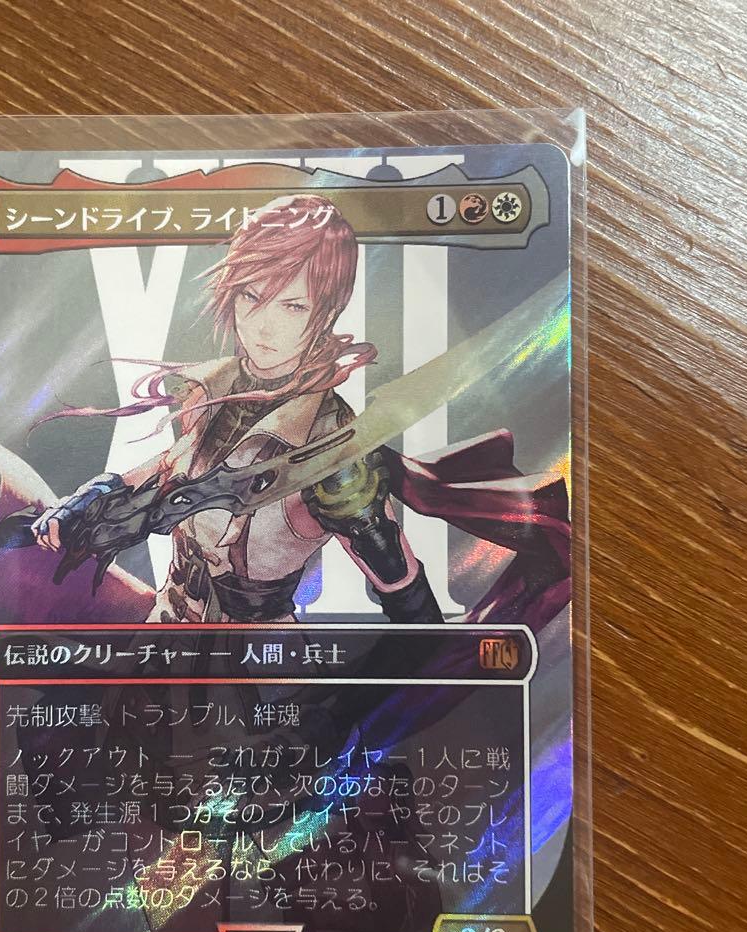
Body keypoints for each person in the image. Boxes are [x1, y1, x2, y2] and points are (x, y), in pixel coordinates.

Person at [29, 193, 443, 625]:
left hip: (255, 650)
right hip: (166, 629)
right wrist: (96, 496)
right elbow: (179, 463)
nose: (264, 326)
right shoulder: (213, 389)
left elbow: (396, 576)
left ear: (328, 309)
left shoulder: (331, 442)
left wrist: (442, 657)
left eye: (294, 305)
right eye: (250, 296)